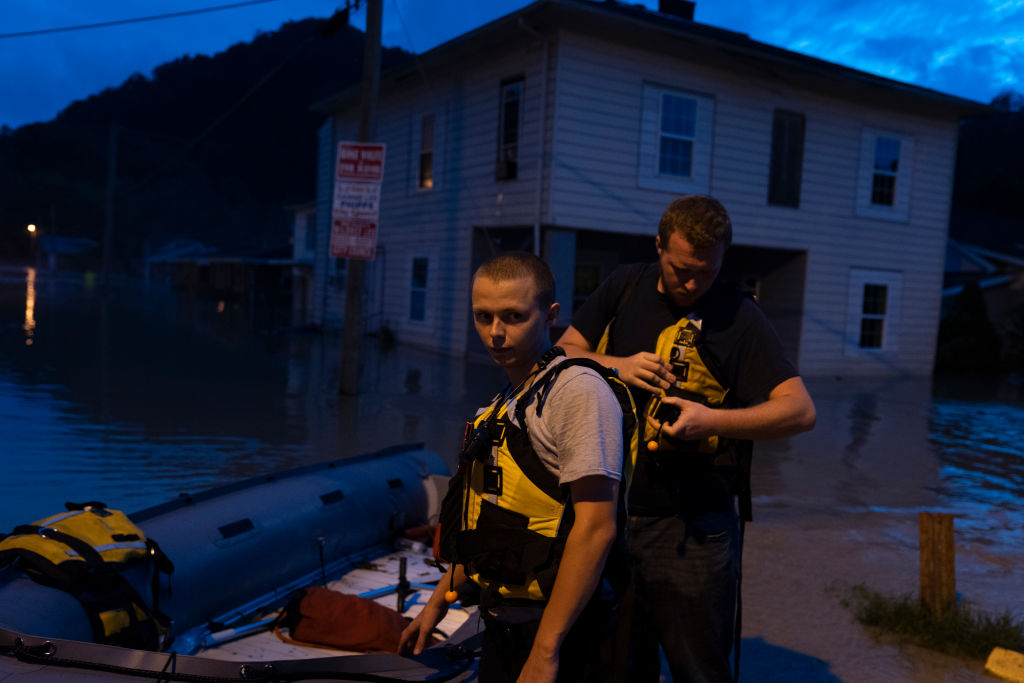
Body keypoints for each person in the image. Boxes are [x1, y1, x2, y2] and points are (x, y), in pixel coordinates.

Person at [556, 194, 816, 682]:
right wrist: (620, 366)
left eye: (707, 272)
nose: (694, 283)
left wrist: (710, 422)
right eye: (680, 270)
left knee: (699, 670)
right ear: (658, 246)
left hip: (696, 529)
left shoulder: (740, 317)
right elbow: (565, 352)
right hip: (610, 517)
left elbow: (800, 411)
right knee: (617, 665)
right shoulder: (624, 286)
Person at [399, 252, 638, 683]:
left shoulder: (578, 393)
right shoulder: (497, 406)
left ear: (550, 316)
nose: (494, 332)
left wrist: (546, 651)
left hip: (565, 632)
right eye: (483, 316)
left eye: (512, 316)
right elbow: (487, 520)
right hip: (503, 622)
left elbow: (597, 528)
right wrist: (436, 604)